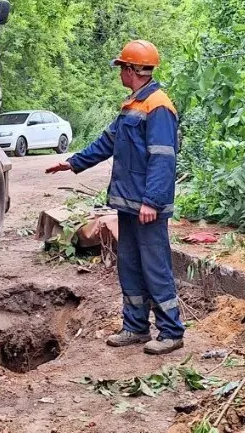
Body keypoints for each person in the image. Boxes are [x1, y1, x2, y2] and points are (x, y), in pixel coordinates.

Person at [46, 39, 184, 355]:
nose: (120, 71)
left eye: (122, 66)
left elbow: (163, 157)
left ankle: (171, 332)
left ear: (133, 69)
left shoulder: (158, 106)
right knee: (131, 265)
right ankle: (135, 327)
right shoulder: (132, 105)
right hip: (127, 203)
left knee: (155, 266)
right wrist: (71, 162)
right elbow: (107, 142)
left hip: (147, 206)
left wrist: (153, 200)